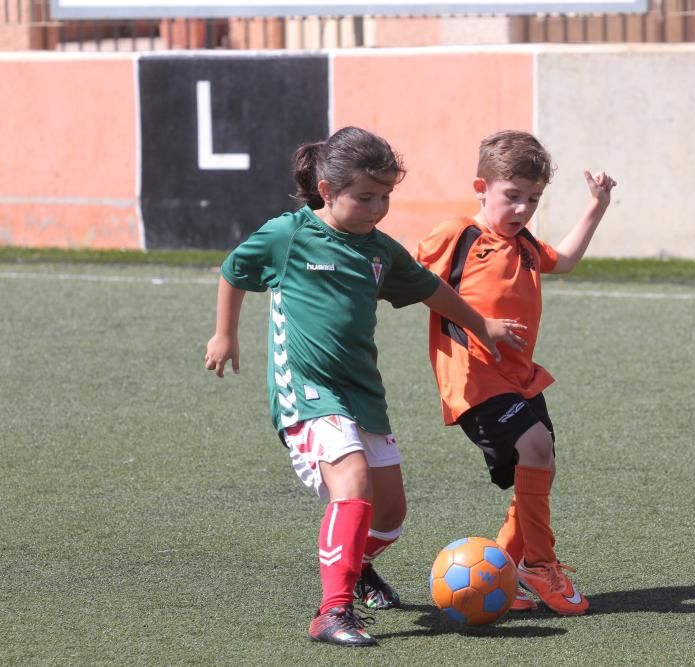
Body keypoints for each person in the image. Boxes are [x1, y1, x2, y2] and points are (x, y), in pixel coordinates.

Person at [203, 126, 526, 647]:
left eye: (385, 197)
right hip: (308, 390)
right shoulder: (289, 235)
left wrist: (480, 324)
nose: (378, 208)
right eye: (365, 197)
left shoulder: (379, 251)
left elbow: (430, 289)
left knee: (392, 514)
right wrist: (225, 334)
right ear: (328, 190)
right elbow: (234, 269)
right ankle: (331, 612)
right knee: (351, 483)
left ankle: (355, 569)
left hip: (363, 393)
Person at [415, 130, 616, 616]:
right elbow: (406, 277)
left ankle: (502, 569)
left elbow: (564, 260)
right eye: (512, 197)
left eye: (533, 199)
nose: (522, 209)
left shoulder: (524, 244)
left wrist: (598, 205)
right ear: (481, 186)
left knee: (541, 463)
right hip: (474, 379)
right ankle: (539, 565)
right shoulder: (457, 234)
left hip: (520, 379)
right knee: (537, 449)